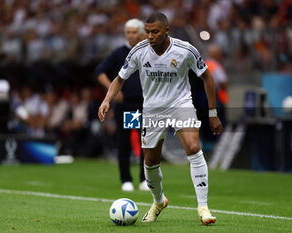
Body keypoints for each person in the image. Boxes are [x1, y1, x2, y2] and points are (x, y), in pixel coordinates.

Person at [98, 12, 223, 225]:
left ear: (166, 30)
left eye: (155, 31)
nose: (150, 36)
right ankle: (158, 201)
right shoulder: (138, 51)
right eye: (147, 32)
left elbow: (207, 77)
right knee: (150, 161)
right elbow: (119, 79)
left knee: (193, 148)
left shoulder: (185, 50)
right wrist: (107, 100)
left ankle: (203, 206)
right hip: (153, 111)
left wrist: (213, 113)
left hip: (180, 105)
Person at [95, 19, 148, 192]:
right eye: (128, 32)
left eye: (134, 32)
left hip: (146, 104)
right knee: (125, 141)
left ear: (141, 34)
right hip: (128, 105)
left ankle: (144, 179)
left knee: (146, 142)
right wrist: (112, 92)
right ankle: (126, 179)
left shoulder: (148, 51)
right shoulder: (119, 53)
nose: (131, 35)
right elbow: (100, 72)